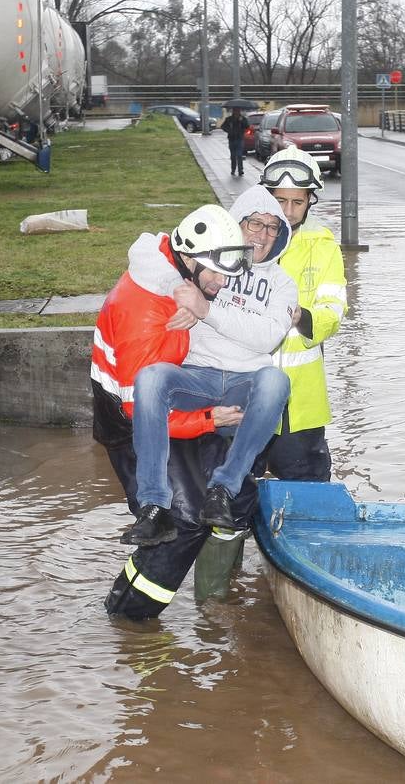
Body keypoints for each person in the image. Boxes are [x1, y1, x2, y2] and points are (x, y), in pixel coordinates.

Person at [130, 186, 295, 537]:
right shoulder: (209, 254)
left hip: (245, 383)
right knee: (151, 378)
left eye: (272, 227)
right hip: (196, 377)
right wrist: (179, 290)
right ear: (237, 222)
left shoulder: (283, 284)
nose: (263, 235)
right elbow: (145, 249)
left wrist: (206, 310)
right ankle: (152, 504)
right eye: (254, 223)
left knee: (276, 381)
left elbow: (268, 336)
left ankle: (224, 488)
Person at [91, 204, 254, 546]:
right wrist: (209, 419)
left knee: (217, 504)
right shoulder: (145, 312)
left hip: (170, 405)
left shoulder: (173, 272)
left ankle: (209, 591)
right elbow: (143, 411)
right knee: (179, 525)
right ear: (188, 257)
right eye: (214, 273)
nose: (221, 283)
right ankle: (130, 600)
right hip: (131, 426)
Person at [258, 146, 349, 481]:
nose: (288, 210)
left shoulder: (324, 247)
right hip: (246, 395)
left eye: (297, 202)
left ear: (311, 201)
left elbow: (334, 310)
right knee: (232, 497)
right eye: (280, 201)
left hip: (300, 404)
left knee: (309, 496)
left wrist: (303, 317)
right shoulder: (243, 241)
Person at [219, 108, 249, 177]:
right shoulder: (229, 119)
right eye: (235, 111)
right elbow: (223, 126)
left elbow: (247, 126)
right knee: (233, 156)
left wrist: (242, 121)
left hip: (239, 139)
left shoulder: (243, 119)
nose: (236, 112)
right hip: (231, 139)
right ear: (233, 111)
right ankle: (233, 169)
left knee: (239, 155)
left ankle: (240, 170)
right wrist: (229, 131)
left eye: (238, 111)